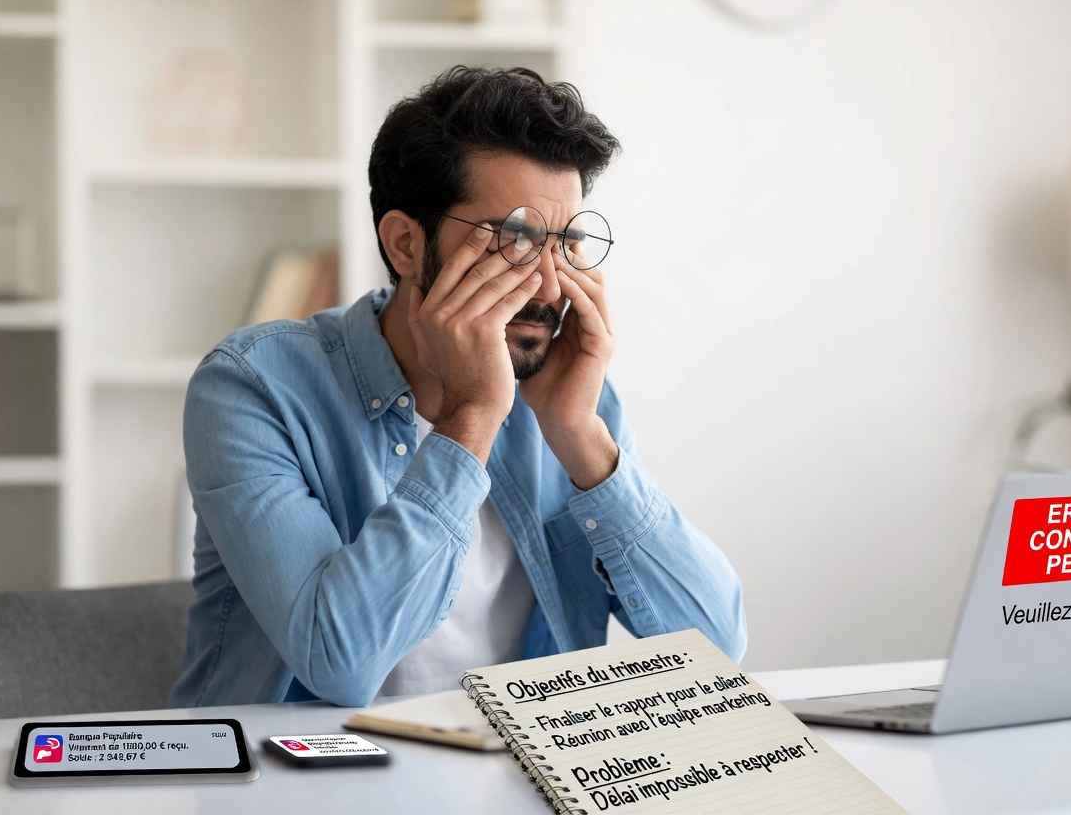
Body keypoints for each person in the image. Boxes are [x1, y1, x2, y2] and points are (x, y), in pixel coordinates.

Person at [170, 66, 746, 708]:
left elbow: (716, 651)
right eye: (515, 240)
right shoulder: (254, 389)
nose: (553, 288)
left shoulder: (569, 396)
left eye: (567, 244)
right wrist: (472, 418)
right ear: (407, 244)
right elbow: (340, 662)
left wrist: (581, 436)